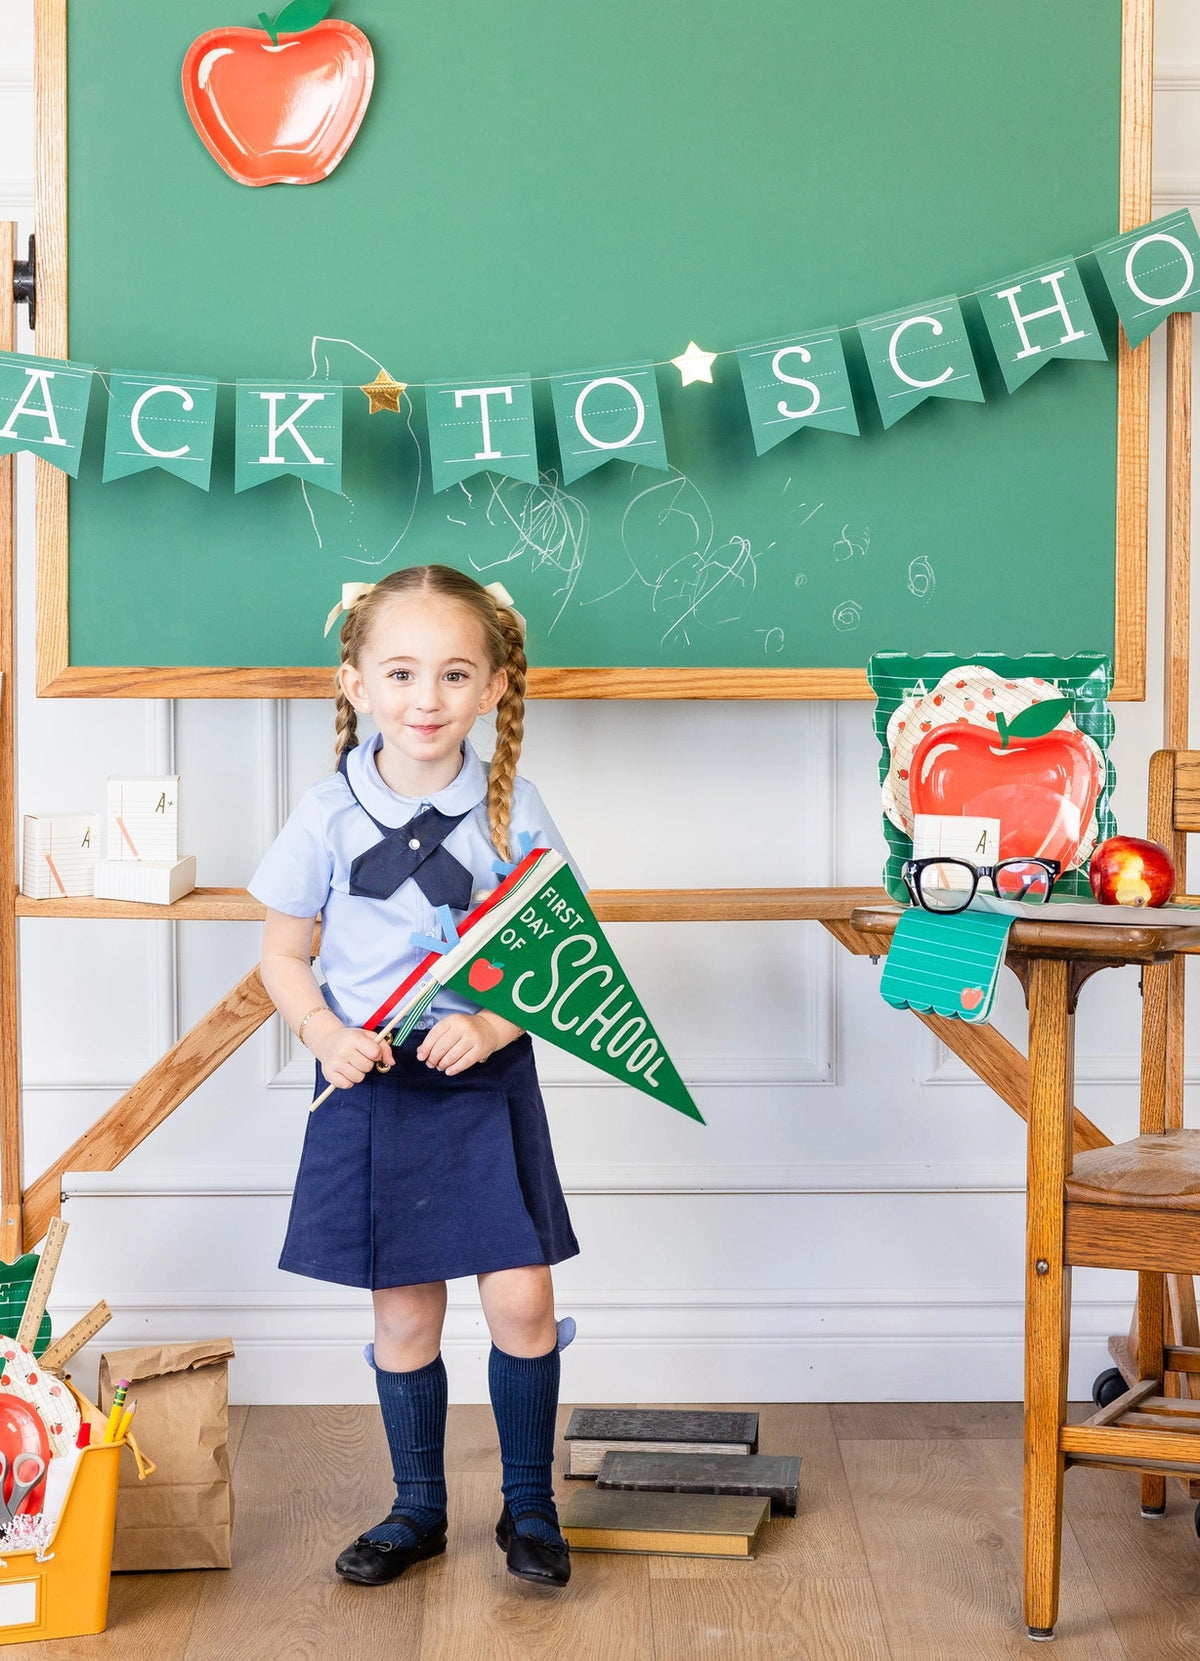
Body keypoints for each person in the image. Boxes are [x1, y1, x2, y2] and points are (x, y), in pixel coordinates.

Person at [249, 564, 579, 1589]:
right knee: (404, 1313)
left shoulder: (512, 806)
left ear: (490, 688)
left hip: (480, 1081)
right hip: (375, 1080)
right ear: (355, 683)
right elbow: (282, 952)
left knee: (522, 1298)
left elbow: (557, 953)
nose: (425, 698)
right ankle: (417, 1506)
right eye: (399, 673)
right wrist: (319, 1030)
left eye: (451, 674)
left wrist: (487, 1023)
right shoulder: (326, 812)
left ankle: (529, 1504)